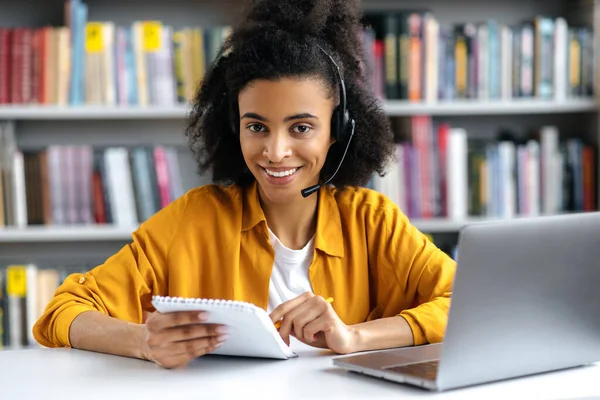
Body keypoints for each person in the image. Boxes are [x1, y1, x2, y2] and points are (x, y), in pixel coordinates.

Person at [33, 0, 456, 369]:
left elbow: (468, 303)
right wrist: (144, 341)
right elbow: (63, 312)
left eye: (301, 127)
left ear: (338, 131)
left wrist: (354, 336)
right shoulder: (194, 219)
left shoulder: (372, 221)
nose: (275, 151)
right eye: (257, 126)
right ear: (234, 127)